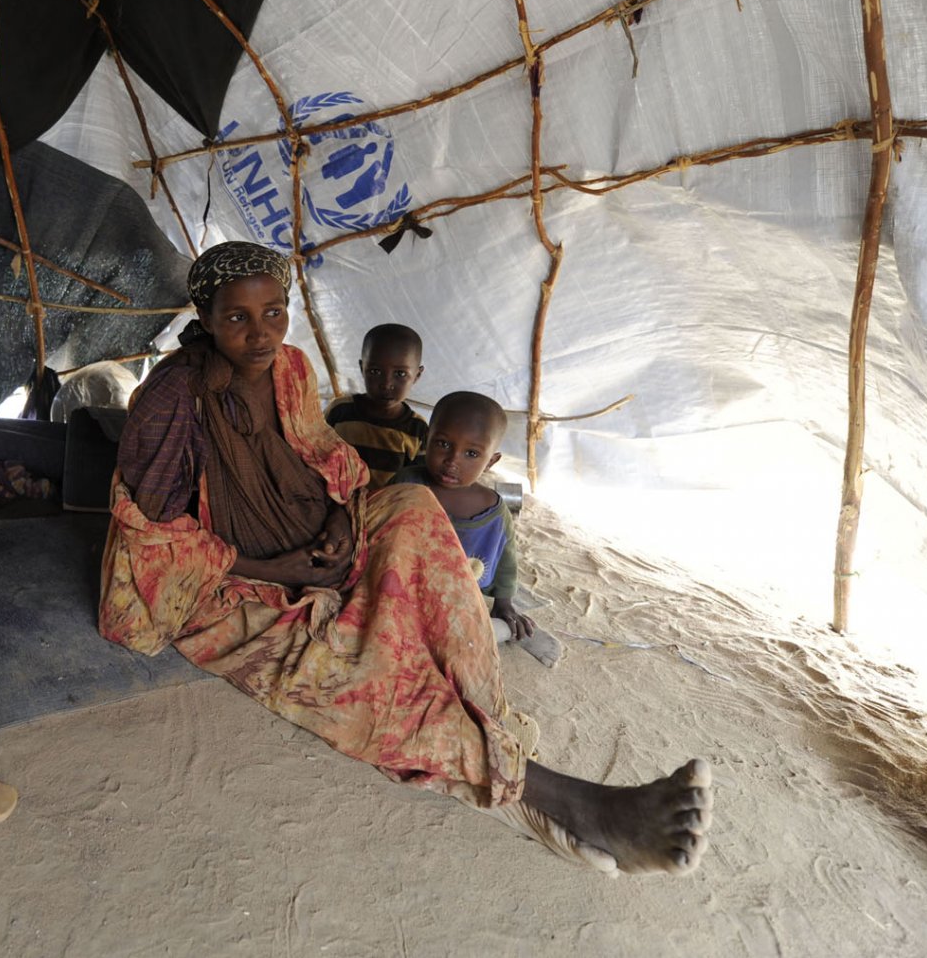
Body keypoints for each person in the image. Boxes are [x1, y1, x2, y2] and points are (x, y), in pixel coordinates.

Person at [101, 241, 713, 875]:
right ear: (203, 318)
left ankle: (491, 724)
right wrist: (281, 571)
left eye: (275, 312)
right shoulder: (170, 400)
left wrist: (340, 516)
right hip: (230, 582)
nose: (261, 335)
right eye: (237, 318)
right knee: (352, 660)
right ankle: (573, 802)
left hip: (313, 537)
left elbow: (326, 456)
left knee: (417, 508)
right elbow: (155, 537)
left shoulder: (290, 368)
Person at [392, 390, 535, 641]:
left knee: (470, 638)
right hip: (400, 591)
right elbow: (374, 527)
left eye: (471, 454)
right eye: (444, 444)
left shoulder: (493, 512)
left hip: (456, 603)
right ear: (427, 440)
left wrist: (503, 603)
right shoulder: (406, 483)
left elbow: (505, 559)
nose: (452, 460)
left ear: (491, 461)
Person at [325, 323, 429, 489]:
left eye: (400, 374)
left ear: (417, 375)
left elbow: (416, 487)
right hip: (333, 501)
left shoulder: (418, 430)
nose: (386, 384)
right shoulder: (339, 410)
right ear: (362, 368)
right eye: (375, 371)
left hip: (386, 510)